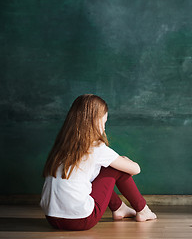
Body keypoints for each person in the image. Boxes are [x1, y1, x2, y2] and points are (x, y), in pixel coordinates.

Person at [40, 94, 156, 231]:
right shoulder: (95, 148)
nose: (104, 129)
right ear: (94, 122)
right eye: (104, 122)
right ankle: (143, 210)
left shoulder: (62, 147)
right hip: (81, 220)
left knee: (104, 167)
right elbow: (135, 169)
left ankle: (119, 208)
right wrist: (125, 159)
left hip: (52, 218)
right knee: (115, 168)